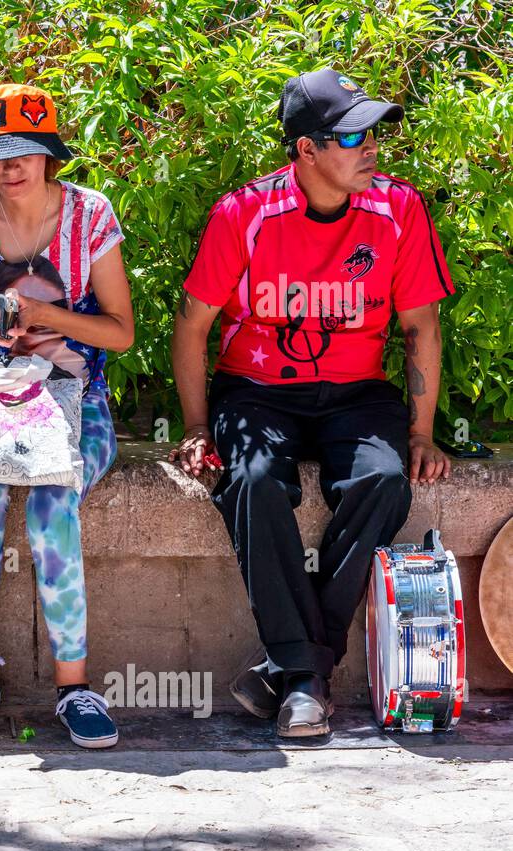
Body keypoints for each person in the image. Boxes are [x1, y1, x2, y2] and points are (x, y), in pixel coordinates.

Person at [169, 68, 453, 736]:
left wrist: (422, 430)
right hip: (258, 391)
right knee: (253, 481)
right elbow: (192, 326)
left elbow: (421, 328)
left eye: (374, 131)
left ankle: (297, 670)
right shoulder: (242, 214)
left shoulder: (399, 209)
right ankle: (307, 672)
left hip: (357, 394)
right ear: (306, 150)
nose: (371, 146)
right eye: (352, 134)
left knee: (386, 481)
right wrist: (194, 423)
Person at [0, 84, 134, 748]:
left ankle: (73, 686)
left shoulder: (90, 215)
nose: (10, 168)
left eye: (25, 153)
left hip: (79, 398)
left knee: (51, 503)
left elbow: (121, 332)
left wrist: (45, 317)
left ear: (50, 155)